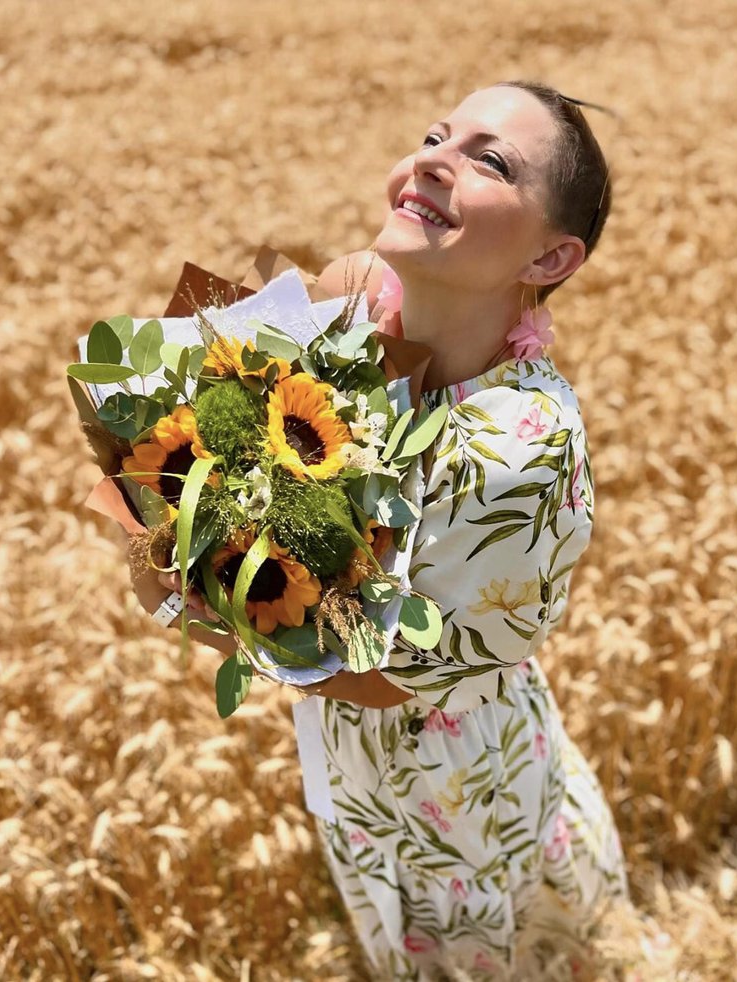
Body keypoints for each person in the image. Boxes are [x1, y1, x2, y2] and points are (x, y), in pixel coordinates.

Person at [153, 80, 627, 980]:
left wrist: (209, 573)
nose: (434, 160)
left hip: (445, 772)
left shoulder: (515, 451)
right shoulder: (355, 301)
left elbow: (379, 679)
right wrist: (181, 480)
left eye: (490, 160)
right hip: (348, 743)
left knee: (467, 951)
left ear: (550, 259)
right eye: (435, 135)